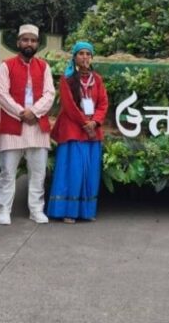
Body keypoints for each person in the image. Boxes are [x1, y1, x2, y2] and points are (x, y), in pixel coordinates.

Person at [0, 24, 55, 225]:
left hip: (37, 127)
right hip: (13, 126)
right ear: (18, 42)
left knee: (38, 173)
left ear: (37, 43)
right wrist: (21, 112)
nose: (29, 43)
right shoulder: (6, 65)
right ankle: (4, 210)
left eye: (33, 40)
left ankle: (36, 210)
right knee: (7, 173)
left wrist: (34, 112)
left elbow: (50, 94)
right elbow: (2, 94)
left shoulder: (44, 67)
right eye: (25, 40)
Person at [47, 41, 109, 223]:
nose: (84, 57)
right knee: (72, 171)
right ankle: (68, 211)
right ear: (74, 57)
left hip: (92, 131)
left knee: (89, 172)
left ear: (91, 57)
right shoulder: (67, 79)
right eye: (81, 53)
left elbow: (103, 103)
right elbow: (69, 105)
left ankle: (86, 211)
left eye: (88, 54)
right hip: (73, 130)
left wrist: (95, 121)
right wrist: (85, 123)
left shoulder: (97, 79)